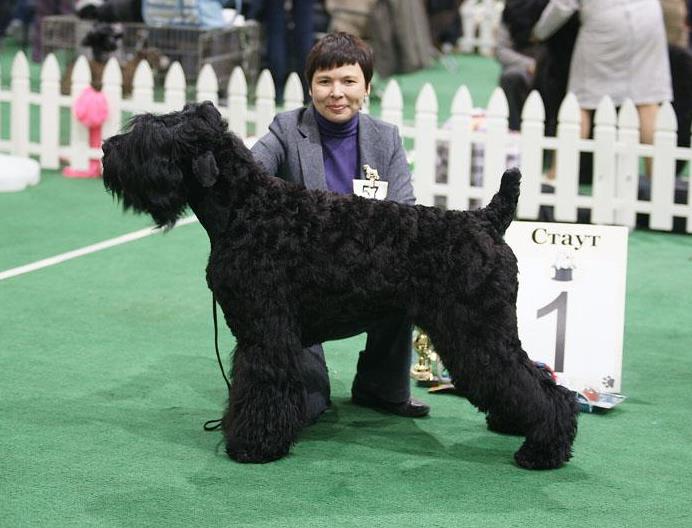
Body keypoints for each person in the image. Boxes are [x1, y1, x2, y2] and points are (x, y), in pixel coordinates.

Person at [251, 32, 430, 423]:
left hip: (368, 269)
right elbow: (248, 176)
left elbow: (405, 212)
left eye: (348, 81)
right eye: (325, 81)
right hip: (304, 281)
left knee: (407, 270)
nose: (337, 93)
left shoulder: (386, 138)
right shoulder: (285, 129)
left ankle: (381, 388)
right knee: (308, 408)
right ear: (310, 86)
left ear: (366, 87)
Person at [533, 0, 673, 156]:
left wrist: (539, 32)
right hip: (649, 17)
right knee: (648, 99)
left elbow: (562, 5)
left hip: (604, 21)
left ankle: (558, 172)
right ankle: (657, 175)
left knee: (580, 100)